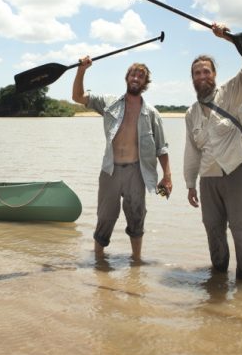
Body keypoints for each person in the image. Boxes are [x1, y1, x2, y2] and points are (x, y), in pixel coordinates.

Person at [72, 56, 172, 262]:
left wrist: (167, 176)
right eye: (133, 74)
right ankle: (98, 261)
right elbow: (78, 97)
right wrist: (82, 70)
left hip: (137, 171)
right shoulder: (109, 103)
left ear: (145, 83)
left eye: (141, 76)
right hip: (110, 170)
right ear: (127, 78)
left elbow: (162, 148)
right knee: (105, 217)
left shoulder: (152, 113)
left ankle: (136, 261)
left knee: (137, 217)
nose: (136, 77)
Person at [184, 23, 242, 281]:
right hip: (207, 179)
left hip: (235, 172)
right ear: (192, 78)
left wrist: (228, 37)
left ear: (214, 74)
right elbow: (192, 151)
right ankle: (217, 279)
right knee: (213, 230)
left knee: (240, 230)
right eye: (197, 73)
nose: (202, 76)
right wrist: (190, 184)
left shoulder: (231, 93)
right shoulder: (190, 113)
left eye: (206, 71)